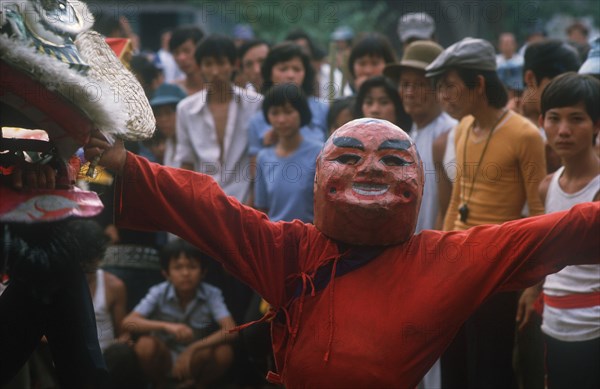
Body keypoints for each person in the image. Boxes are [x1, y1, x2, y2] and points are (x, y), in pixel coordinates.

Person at [84, 115, 599, 388]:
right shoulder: (288, 249)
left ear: (417, 182)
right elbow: (206, 205)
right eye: (348, 158)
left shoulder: (448, 259)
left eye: (392, 159)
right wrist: (122, 162)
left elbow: (558, 229)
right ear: (317, 180)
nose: (370, 169)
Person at [426, 37, 547, 389]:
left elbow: (539, 212)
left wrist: (534, 284)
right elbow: (455, 202)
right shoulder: (463, 128)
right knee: (456, 366)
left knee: (490, 369)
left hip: (497, 271)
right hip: (457, 268)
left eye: (449, 87)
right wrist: (440, 259)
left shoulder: (525, 134)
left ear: (478, 84)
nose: (443, 97)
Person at [519, 73, 600, 389]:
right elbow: (548, 252)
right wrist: (532, 289)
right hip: (554, 325)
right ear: (541, 121)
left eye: (577, 119)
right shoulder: (547, 187)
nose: (564, 130)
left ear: (596, 124)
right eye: (554, 118)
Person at [122, 239, 237, 388]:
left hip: (197, 357)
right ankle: (161, 385)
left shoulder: (211, 294)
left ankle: (197, 385)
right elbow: (128, 322)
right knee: (144, 345)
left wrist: (193, 348)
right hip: (164, 357)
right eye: (178, 267)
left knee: (224, 352)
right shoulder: (158, 292)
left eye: (192, 267)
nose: (185, 273)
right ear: (166, 273)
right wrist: (166, 326)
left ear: (203, 272)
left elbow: (231, 330)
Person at [175, 34, 262, 204]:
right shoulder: (186, 109)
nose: (215, 71)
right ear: (200, 67)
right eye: (208, 64)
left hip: (244, 203)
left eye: (221, 63)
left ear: (233, 65)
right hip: (204, 204)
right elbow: (186, 163)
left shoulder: (255, 104)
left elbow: (258, 162)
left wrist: (253, 206)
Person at [384, 40, 457, 233]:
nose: (409, 92)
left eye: (419, 85)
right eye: (405, 84)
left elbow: (450, 207)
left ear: (439, 89)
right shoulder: (408, 136)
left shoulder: (450, 134)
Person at [248, 42, 328, 164]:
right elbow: (257, 173)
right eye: (283, 69)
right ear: (269, 73)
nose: (291, 75)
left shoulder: (323, 109)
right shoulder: (257, 119)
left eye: (297, 69)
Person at [254, 83, 322, 223]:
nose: (281, 120)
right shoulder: (263, 158)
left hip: (309, 238)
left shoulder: (319, 153)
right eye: (275, 113)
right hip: (275, 238)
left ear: (301, 113)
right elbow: (262, 208)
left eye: (288, 111)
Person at [75, 219, 128, 353]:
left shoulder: (114, 285)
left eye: (92, 259)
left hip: (105, 358)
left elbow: (123, 333)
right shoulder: (55, 283)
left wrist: (122, 343)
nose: (86, 266)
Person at [168, 26, 205, 95]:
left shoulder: (217, 90)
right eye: (176, 53)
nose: (181, 58)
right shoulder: (171, 90)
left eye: (187, 51)